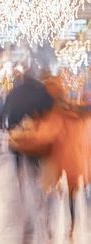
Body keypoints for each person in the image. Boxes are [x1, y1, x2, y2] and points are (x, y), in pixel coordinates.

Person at [9, 76, 91, 233]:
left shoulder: (55, 115)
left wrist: (18, 139)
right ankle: (72, 225)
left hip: (59, 161)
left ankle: (55, 224)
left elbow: (43, 136)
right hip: (77, 161)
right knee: (70, 194)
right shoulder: (74, 110)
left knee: (51, 191)